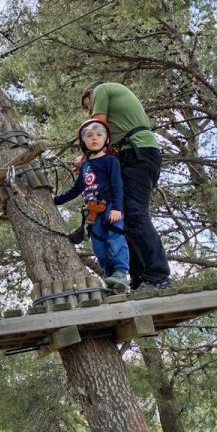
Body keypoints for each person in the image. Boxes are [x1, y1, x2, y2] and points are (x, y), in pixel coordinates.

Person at [80, 81, 171, 291]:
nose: (90, 111)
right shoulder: (121, 124)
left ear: (91, 94)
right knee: (125, 217)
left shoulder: (103, 89)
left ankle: (158, 276)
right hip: (137, 154)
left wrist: (85, 156)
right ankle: (140, 279)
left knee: (135, 214)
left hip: (137, 153)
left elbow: (99, 123)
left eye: (89, 106)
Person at [55, 119, 130, 292]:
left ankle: (120, 273)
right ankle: (110, 277)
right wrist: (56, 200)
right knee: (99, 246)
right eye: (89, 136)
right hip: (92, 212)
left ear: (105, 139)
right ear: (84, 141)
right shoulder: (85, 166)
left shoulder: (110, 161)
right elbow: (76, 189)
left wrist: (117, 208)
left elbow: (118, 185)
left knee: (115, 238)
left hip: (110, 207)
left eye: (98, 135)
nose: (94, 138)